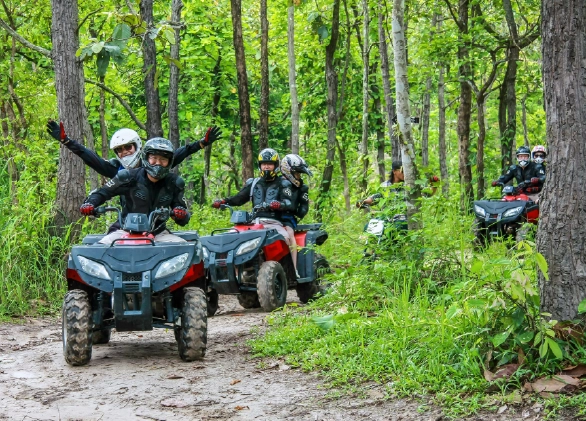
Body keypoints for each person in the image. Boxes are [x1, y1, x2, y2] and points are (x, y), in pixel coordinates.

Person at [80, 137, 190, 244]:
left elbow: (183, 217)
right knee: (97, 253)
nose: (158, 163)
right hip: (124, 231)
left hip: (159, 234)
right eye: (153, 158)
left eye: (163, 159)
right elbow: (103, 193)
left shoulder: (174, 183)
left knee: (188, 251)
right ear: (146, 158)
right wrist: (90, 204)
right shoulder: (127, 177)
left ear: (169, 162)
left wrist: (179, 213)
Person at [212, 148, 298, 273]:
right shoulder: (254, 183)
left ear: (276, 165)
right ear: (260, 165)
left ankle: (294, 270)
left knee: (287, 238)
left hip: (274, 223)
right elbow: (239, 198)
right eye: (264, 164)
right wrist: (224, 201)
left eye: (270, 164)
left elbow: (289, 203)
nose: (267, 167)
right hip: (254, 223)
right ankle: (230, 271)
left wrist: (278, 204)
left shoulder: (283, 183)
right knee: (230, 236)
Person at [46, 120, 222, 178]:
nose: (125, 152)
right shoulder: (116, 169)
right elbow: (90, 157)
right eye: (119, 150)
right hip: (126, 222)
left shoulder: (153, 163)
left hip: (155, 222)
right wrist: (67, 141)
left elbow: (179, 154)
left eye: (128, 147)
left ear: (137, 144)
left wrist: (201, 143)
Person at [279, 154, 313, 272]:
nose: (298, 176)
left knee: (289, 234)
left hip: (288, 217)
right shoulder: (276, 182)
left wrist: (300, 210)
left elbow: (303, 206)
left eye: (299, 174)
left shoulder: (301, 188)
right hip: (270, 216)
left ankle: (294, 269)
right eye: (297, 173)